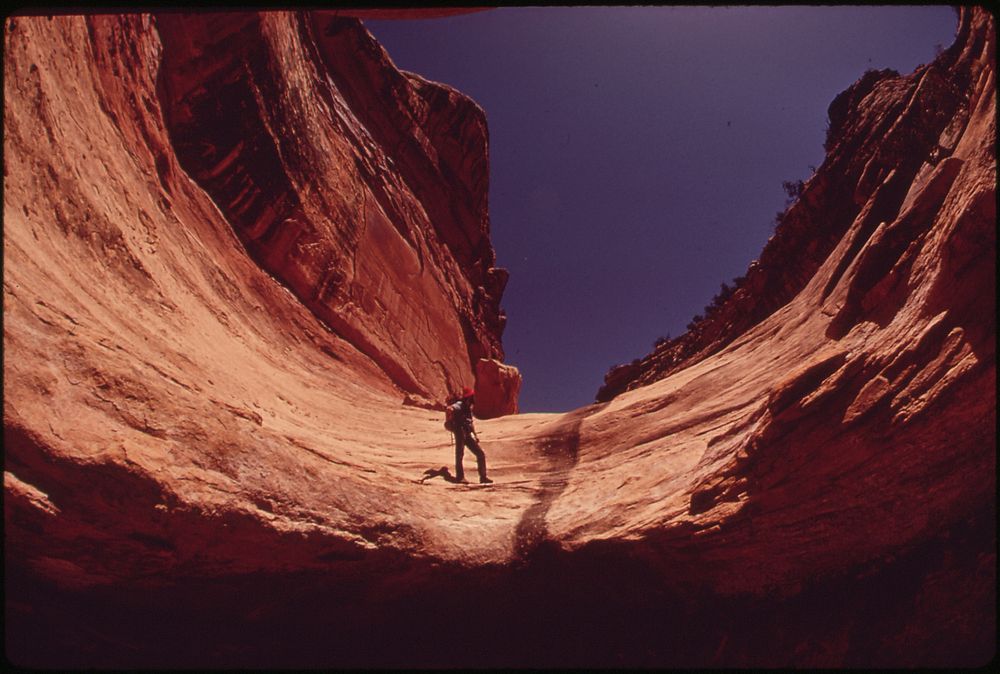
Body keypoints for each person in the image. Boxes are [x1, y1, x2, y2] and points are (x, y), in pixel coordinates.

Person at [448, 387, 492, 484]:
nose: (474, 398)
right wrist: (450, 420)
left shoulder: (468, 408)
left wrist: (475, 435)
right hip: (459, 431)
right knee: (459, 454)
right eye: (472, 396)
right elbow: (450, 408)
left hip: (467, 433)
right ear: (469, 397)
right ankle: (460, 478)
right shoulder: (460, 405)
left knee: (480, 454)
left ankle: (483, 477)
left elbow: (470, 422)